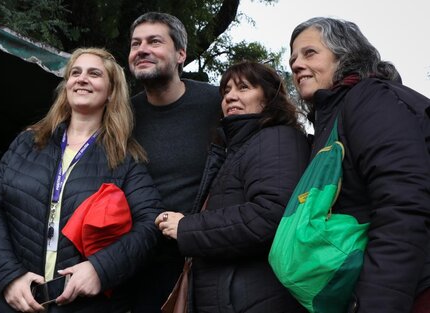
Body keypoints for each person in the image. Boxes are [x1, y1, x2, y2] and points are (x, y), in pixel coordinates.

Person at [0, 47, 163, 313]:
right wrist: (9, 277)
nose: (81, 79)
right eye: (75, 73)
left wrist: (100, 269)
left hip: (86, 307)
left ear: (110, 92)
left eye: (94, 73)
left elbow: (150, 226)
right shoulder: (28, 143)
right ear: (66, 87)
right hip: (12, 303)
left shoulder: (125, 159)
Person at [288, 17, 430, 313]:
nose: (296, 65)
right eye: (293, 59)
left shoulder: (369, 98)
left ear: (345, 55)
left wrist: (377, 302)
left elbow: (404, 203)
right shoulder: (330, 120)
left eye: (309, 53)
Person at [156, 61, 310, 312]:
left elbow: (269, 216)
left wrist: (186, 227)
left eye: (244, 88)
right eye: (226, 91)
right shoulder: (236, 149)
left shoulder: (277, 138)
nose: (231, 97)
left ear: (269, 97)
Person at [127, 12, 221, 311]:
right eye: (135, 43)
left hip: (206, 260)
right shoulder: (122, 116)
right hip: (138, 264)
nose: (142, 49)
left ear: (181, 54)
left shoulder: (218, 103)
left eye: (155, 41)